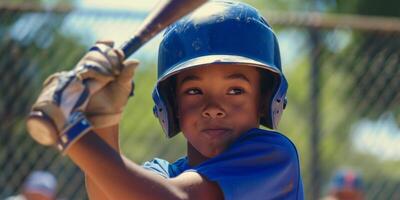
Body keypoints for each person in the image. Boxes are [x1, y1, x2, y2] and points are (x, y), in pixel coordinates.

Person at [28, 1, 304, 199]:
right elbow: (111, 193)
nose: (213, 109)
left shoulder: (272, 157)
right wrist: (103, 120)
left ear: (264, 99)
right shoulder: (160, 175)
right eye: (194, 91)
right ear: (172, 105)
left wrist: (70, 130)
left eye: (235, 91)